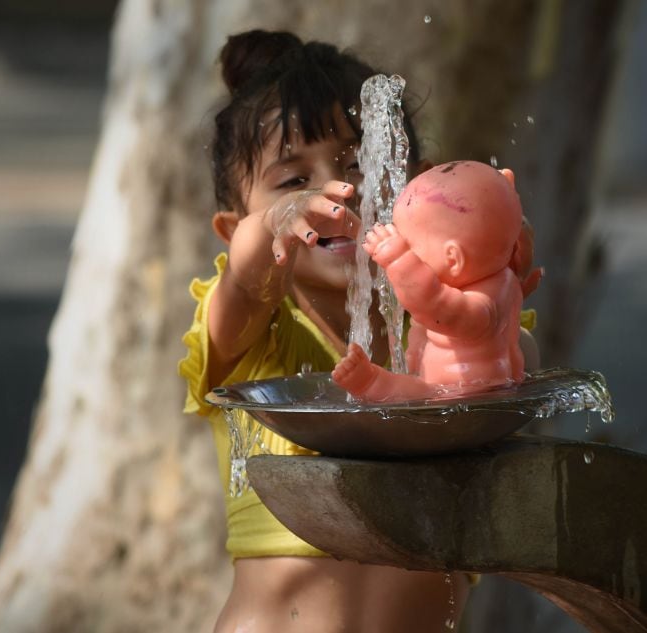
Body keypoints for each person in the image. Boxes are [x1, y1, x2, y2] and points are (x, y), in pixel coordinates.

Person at [178, 30, 474, 632]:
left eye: (363, 162)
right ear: (233, 228)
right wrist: (276, 226)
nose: (339, 191)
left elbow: (518, 369)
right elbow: (245, 280)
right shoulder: (253, 338)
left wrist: (490, 302)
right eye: (292, 181)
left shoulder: (448, 318)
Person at [333, 160, 532, 401]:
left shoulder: (481, 306)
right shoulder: (500, 276)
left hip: (467, 394)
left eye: (410, 245)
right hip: (470, 387)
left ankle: (370, 383)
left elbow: (438, 306)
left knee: (411, 394)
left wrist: (398, 259)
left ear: (453, 259)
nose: (404, 247)